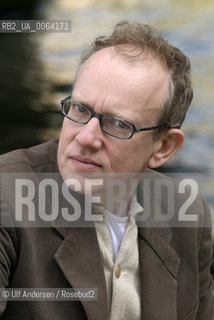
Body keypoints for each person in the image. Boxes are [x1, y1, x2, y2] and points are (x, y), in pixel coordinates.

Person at [0, 22, 213, 319]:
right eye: (80, 109)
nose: (86, 137)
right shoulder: (7, 196)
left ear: (163, 147)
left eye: (118, 124)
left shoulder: (188, 216)